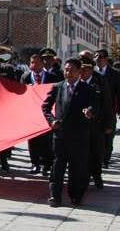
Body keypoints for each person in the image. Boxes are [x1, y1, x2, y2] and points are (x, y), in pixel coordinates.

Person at [43, 57, 96, 207]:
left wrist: (90, 111)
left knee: (76, 168)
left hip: (79, 135)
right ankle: (55, 196)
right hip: (60, 134)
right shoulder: (58, 87)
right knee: (57, 167)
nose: (68, 73)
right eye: (66, 70)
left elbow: (95, 106)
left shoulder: (88, 89)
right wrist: (51, 120)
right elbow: (45, 107)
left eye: (72, 70)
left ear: (79, 72)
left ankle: (75, 196)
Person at [23, 53, 62, 175]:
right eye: (31, 63)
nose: (33, 65)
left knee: (47, 140)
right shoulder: (26, 77)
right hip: (32, 113)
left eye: (36, 63)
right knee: (33, 140)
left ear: (42, 63)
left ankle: (47, 165)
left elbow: (56, 95)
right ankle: (35, 163)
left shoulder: (51, 77)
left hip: (46, 113)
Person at [78, 54, 110, 190]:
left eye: (85, 69)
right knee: (80, 153)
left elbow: (107, 104)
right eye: (81, 69)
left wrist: (109, 124)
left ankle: (97, 176)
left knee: (96, 153)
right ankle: (82, 178)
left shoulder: (100, 81)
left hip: (96, 125)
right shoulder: (75, 81)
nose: (82, 72)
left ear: (91, 70)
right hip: (78, 126)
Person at [94, 49, 120, 168]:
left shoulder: (114, 74)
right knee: (95, 136)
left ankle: (105, 159)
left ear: (105, 59)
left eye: (100, 57)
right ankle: (97, 159)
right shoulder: (90, 71)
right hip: (94, 110)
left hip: (108, 111)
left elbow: (119, 93)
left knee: (108, 136)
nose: (98, 60)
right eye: (96, 57)